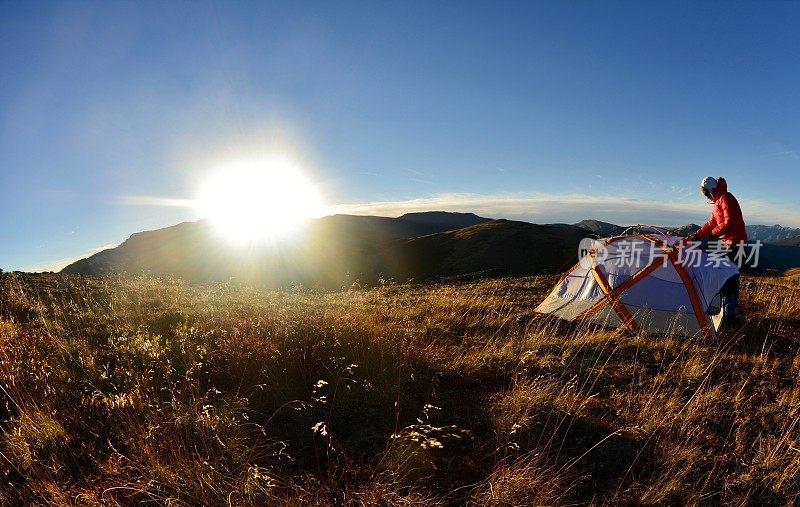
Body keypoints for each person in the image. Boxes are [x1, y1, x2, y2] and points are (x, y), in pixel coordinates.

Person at [683, 176, 747, 325]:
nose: (706, 196)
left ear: (711, 189)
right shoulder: (718, 201)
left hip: (736, 244)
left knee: (730, 280)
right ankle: (725, 313)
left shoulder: (726, 198)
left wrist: (714, 234)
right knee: (723, 277)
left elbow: (729, 222)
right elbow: (711, 222)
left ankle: (730, 317)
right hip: (727, 244)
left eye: (706, 193)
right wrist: (696, 235)